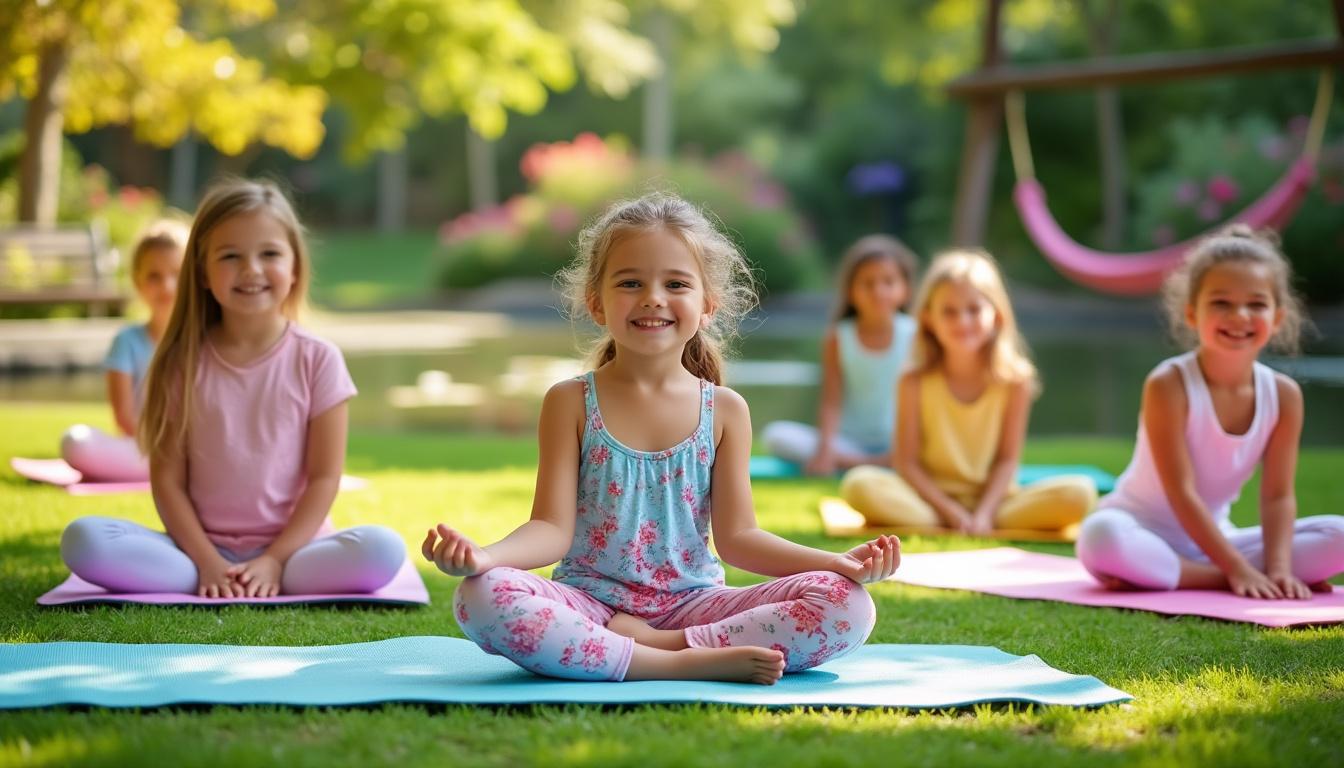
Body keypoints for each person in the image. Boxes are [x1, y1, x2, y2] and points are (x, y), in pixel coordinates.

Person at [424, 193, 896, 685]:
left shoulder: (725, 410)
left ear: (707, 305)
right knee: (479, 595)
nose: (653, 297)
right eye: (630, 282)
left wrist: (837, 563)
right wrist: (486, 557)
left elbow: (740, 540)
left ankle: (660, 647)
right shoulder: (569, 402)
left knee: (847, 604)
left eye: (675, 284)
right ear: (596, 302)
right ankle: (677, 664)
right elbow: (550, 528)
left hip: (696, 607)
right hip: (591, 608)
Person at [60, 179, 405, 598]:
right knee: (84, 539)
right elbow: (167, 481)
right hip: (195, 552)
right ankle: (222, 578)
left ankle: (266, 576)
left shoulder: (319, 359)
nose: (252, 270)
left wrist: (275, 559)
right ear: (203, 272)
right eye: (230, 256)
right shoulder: (179, 362)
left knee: (382, 550)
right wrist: (207, 560)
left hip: (296, 552)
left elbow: (324, 478)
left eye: (270, 254)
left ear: (295, 266)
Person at [1076, 226, 1344, 596]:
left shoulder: (1283, 395)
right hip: (1138, 530)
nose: (1239, 315)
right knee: (1100, 537)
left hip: (1218, 539)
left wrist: (1281, 567)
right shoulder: (1169, 384)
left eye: (1256, 304)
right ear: (1192, 313)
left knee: (1340, 536)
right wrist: (1235, 569)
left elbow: (1278, 496)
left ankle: (1198, 572)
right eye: (1221, 302)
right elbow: (1180, 491)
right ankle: (1221, 577)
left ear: (1277, 317)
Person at [839, 249, 1095, 535]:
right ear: (928, 319)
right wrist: (949, 510)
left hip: (996, 503)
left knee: (1080, 492)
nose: (962, 321)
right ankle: (946, 521)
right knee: (859, 484)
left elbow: (1007, 460)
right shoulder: (912, 380)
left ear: (996, 315)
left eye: (974, 309)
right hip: (928, 501)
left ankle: (977, 521)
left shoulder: (1015, 381)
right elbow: (906, 462)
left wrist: (985, 513)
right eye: (949, 311)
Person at [761, 235, 919, 475]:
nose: (878, 291)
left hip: (898, 442)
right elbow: (831, 401)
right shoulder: (839, 337)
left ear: (905, 289)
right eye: (868, 283)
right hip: (848, 443)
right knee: (776, 436)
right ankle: (869, 463)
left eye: (888, 282)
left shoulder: (915, 335)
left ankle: (861, 463)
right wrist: (825, 449)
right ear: (851, 291)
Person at [59, 220, 187, 482]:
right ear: (138, 282)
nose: (167, 286)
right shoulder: (126, 341)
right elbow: (124, 417)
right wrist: (161, 448)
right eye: (154, 276)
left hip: (196, 452)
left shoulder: (205, 341)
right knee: (75, 441)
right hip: (142, 449)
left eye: (176, 274)